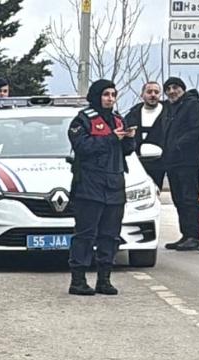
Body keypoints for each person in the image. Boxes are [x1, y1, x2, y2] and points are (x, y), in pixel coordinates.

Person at [67, 79, 137, 296]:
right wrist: (110, 138)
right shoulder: (83, 120)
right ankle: (78, 280)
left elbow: (126, 151)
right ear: (97, 96)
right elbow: (82, 147)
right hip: (89, 185)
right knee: (85, 235)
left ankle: (104, 279)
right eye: (106, 94)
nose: (110, 99)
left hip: (115, 185)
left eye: (113, 95)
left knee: (110, 235)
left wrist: (129, 139)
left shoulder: (118, 120)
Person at [161, 77, 199, 252]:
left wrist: (178, 144)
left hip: (188, 160)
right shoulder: (169, 109)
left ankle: (194, 235)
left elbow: (198, 129)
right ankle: (186, 234)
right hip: (172, 162)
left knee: (189, 198)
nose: (172, 91)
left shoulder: (193, 106)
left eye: (175, 87)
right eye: (168, 88)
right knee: (178, 199)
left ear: (182, 89)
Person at [125, 81, 167, 190]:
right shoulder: (132, 114)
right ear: (142, 94)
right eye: (149, 92)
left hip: (159, 164)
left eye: (156, 92)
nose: (153, 94)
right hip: (136, 163)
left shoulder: (168, 114)